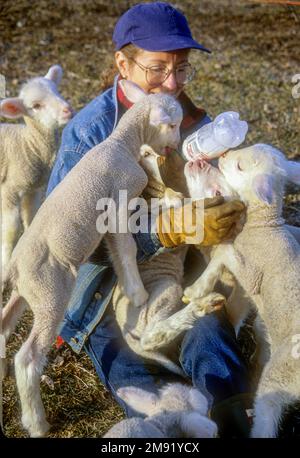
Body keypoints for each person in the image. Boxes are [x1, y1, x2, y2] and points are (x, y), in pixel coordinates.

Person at [46, 2, 263, 438]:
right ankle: (176, 427)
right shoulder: (89, 136)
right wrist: (164, 230)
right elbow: (66, 244)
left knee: (207, 329)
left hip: (174, 271)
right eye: (157, 69)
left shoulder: (185, 118)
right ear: (122, 64)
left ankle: (235, 421)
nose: (171, 83)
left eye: (181, 69)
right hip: (102, 288)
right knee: (132, 365)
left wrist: (224, 184)